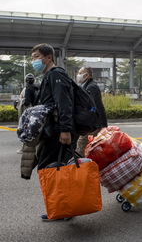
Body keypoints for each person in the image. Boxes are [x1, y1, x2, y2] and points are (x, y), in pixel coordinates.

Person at [31, 43, 76, 221]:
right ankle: (61, 209)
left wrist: (65, 130)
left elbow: (64, 103)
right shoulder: (49, 75)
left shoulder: (56, 74)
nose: (33, 60)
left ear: (48, 57)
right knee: (54, 170)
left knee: (50, 169)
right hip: (52, 131)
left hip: (58, 132)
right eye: (33, 57)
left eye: (36, 57)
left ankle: (63, 209)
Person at [76, 66, 108, 155]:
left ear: (86, 75)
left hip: (92, 125)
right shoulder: (85, 85)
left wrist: (103, 124)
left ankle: (79, 167)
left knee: (81, 146)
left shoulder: (91, 87)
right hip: (90, 123)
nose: (77, 75)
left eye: (79, 73)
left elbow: (97, 106)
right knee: (91, 149)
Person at [17, 73, 40, 179]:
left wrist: (18, 101)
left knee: (26, 134)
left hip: (28, 114)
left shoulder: (27, 89)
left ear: (26, 80)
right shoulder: (36, 88)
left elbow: (26, 102)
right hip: (36, 113)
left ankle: (23, 149)